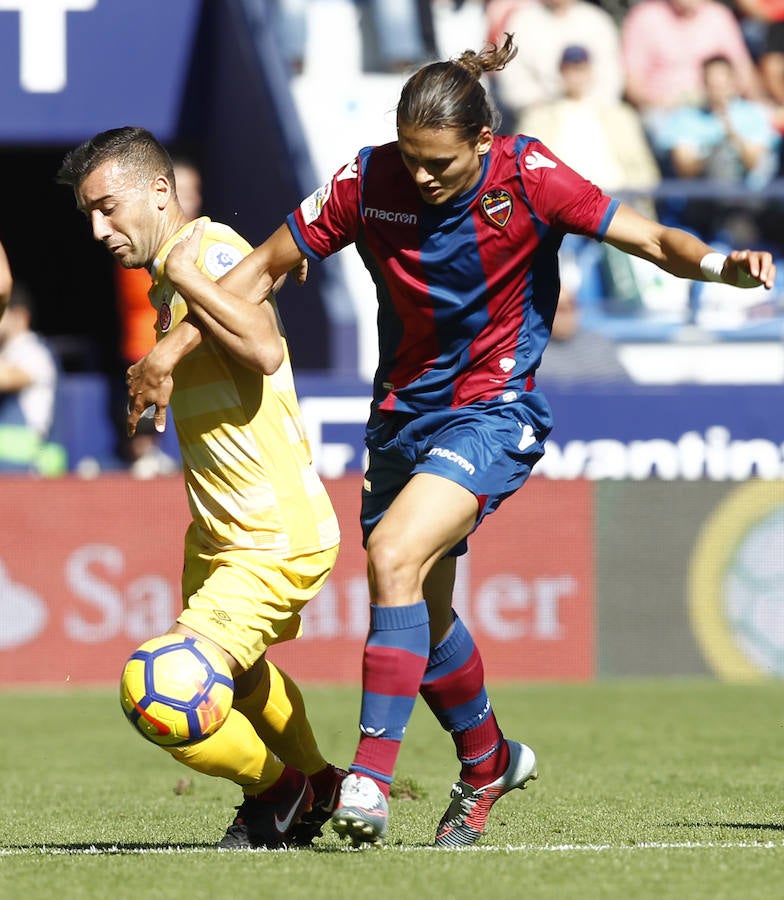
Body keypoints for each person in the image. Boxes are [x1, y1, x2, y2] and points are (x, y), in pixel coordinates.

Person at [127, 36, 775, 849]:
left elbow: (648, 240)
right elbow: (260, 268)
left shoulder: (530, 176)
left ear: (481, 141)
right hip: (401, 415)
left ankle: (368, 776)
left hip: (493, 409)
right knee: (424, 620)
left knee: (394, 556)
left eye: (441, 162)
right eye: (412, 158)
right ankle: (487, 760)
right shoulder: (368, 180)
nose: (424, 177)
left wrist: (721, 265)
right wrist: (166, 351)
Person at [56, 127, 344, 850]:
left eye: (108, 208)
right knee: (242, 680)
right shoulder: (171, 270)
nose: (99, 229)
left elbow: (265, 348)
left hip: (270, 535)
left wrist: (189, 279)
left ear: (159, 192)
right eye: (88, 214)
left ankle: (277, 794)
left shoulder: (203, 251)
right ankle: (319, 781)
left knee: (163, 689)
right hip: (222, 533)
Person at [114, 158, 203, 477]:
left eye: (194, 192)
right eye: (184, 191)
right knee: (146, 430)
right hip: (146, 345)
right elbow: (150, 299)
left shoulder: (209, 240)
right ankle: (145, 457)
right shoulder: (143, 245)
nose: (192, 200)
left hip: (196, 354)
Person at [518, 45, 661, 194]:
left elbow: (644, 169)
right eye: (570, 70)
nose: (575, 76)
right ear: (561, 72)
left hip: (614, 198)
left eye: (580, 70)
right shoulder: (539, 117)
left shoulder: (619, 115)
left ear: (590, 72)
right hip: (559, 199)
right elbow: (525, 165)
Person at [659, 54, 780, 187]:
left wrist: (729, 128)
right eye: (713, 84)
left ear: (734, 83)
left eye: (722, 84)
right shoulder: (685, 118)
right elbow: (685, 169)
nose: (718, 90)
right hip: (704, 195)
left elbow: (753, 163)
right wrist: (710, 157)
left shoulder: (754, 114)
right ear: (704, 85)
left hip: (746, 198)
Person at [0, 254, 64, 476]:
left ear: (20, 316)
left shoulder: (34, 352)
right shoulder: (7, 351)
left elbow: (6, 379)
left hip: (27, 462)